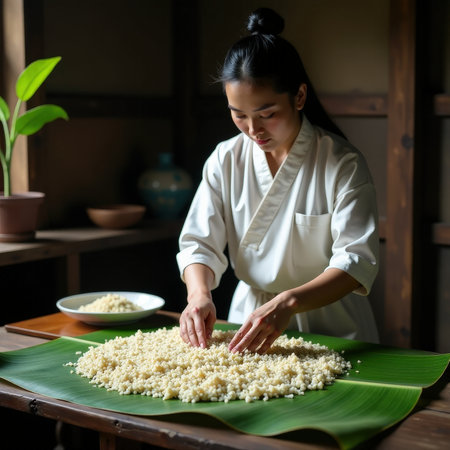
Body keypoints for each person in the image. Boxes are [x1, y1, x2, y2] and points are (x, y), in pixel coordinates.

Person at [176, 7, 379, 354]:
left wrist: (288, 302)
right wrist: (198, 295)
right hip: (249, 320)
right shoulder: (226, 159)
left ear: (299, 97)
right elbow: (199, 243)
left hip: (330, 322)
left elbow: (355, 260)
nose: (253, 129)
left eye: (267, 114)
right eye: (239, 115)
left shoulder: (341, 163)